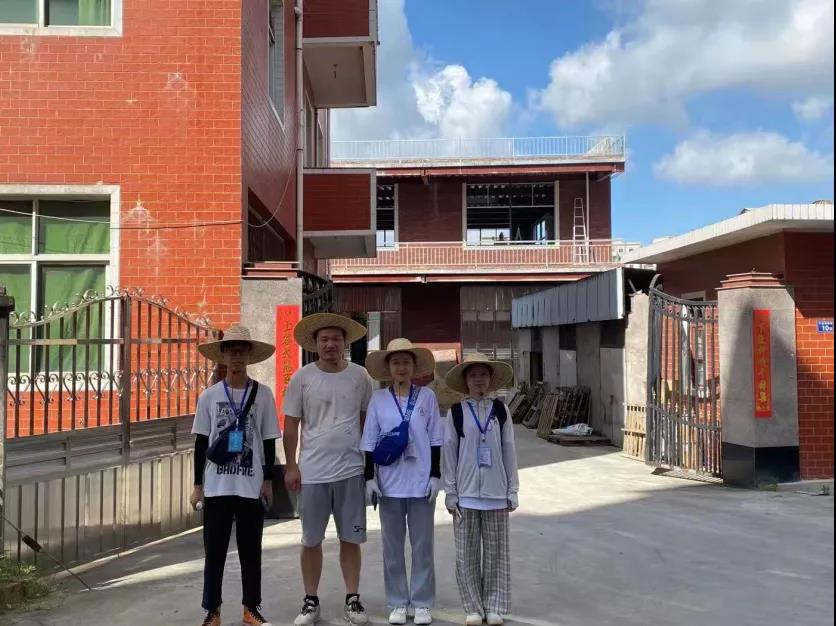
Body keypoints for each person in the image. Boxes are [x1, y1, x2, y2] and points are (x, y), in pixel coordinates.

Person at [283, 313, 374, 626]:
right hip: (313, 472)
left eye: (336, 339)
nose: (330, 344)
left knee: (351, 538)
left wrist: (369, 466)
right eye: (324, 339)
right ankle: (310, 600)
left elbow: (367, 421)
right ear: (315, 344)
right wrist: (291, 465)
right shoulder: (302, 378)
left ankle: (353, 599)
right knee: (311, 540)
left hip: (351, 470)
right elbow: (291, 425)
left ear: (345, 342)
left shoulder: (360, 376)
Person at [190, 325, 281, 626]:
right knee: (214, 552)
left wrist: (268, 481)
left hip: (250, 485)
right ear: (223, 355)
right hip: (217, 486)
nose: (237, 356)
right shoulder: (209, 396)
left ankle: (250, 608)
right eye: (232, 351)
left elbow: (268, 439)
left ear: (250, 355)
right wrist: (198, 485)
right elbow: (201, 442)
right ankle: (212, 611)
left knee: (251, 550)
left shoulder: (263, 395)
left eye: (243, 351)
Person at [361, 339, 444, 625]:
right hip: (389, 485)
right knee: (392, 548)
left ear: (414, 366)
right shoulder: (378, 399)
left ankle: (421, 603)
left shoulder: (427, 397)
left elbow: (435, 439)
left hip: (421, 484)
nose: (401, 367)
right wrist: (369, 478)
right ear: (388, 367)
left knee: (422, 547)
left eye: (406, 362)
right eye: (395, 362)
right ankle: (397, 601)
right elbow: (369, 441)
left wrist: (435, 475)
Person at [442, 353, 520, 626]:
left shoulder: (501, 410)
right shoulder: (456, 412)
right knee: (467, 555)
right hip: (465, 497)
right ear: (465, 380)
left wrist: (512, 489)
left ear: (491, 379)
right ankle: (473, 607)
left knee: (496, 554)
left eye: (483, 375)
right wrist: (450, 492)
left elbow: (509, 449)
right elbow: (449, 453)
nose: (478, 380)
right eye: (473, 375)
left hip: (497, 494)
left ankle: (494, 606)